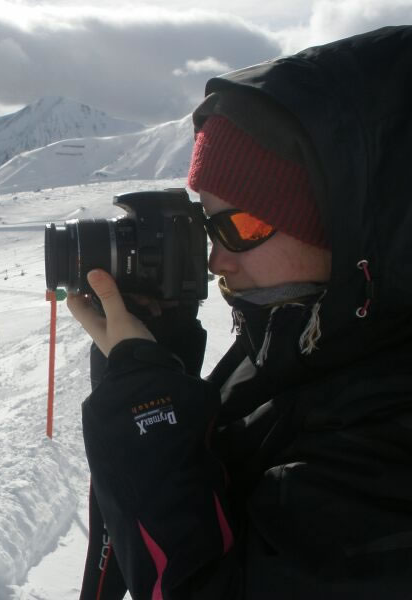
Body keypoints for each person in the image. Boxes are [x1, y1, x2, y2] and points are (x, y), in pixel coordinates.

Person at [67, 26, 412, 600]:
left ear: (350, 224)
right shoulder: (302, 339)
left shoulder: (390, 439)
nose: (215, 259)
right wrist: (161, 365)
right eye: (209, 226)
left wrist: (146, 409)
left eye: (244, 225)